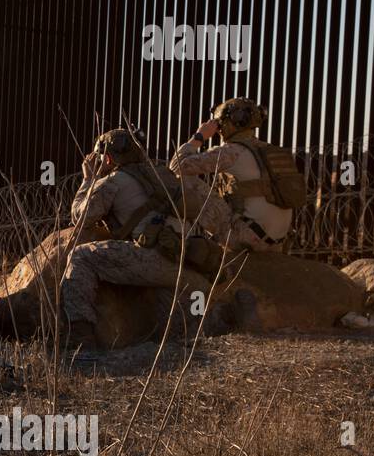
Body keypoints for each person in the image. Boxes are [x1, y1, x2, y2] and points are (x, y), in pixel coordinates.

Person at [59, 128, 188, 347]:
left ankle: (80, 335)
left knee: (80, 256)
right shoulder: (159, 174)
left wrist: (88, 180)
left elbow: (80, 218)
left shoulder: (113, 181)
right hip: (183, 256)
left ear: (107, 158)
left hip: (153, 257)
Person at [169, 97, 301, 253]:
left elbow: (176, 166)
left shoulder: (233, 152)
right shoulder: (270, 150)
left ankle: (172, 233)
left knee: (182, 179)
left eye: (219, 124)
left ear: (229, 122)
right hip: (278, 244)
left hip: (248, 239)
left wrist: (200, 136)